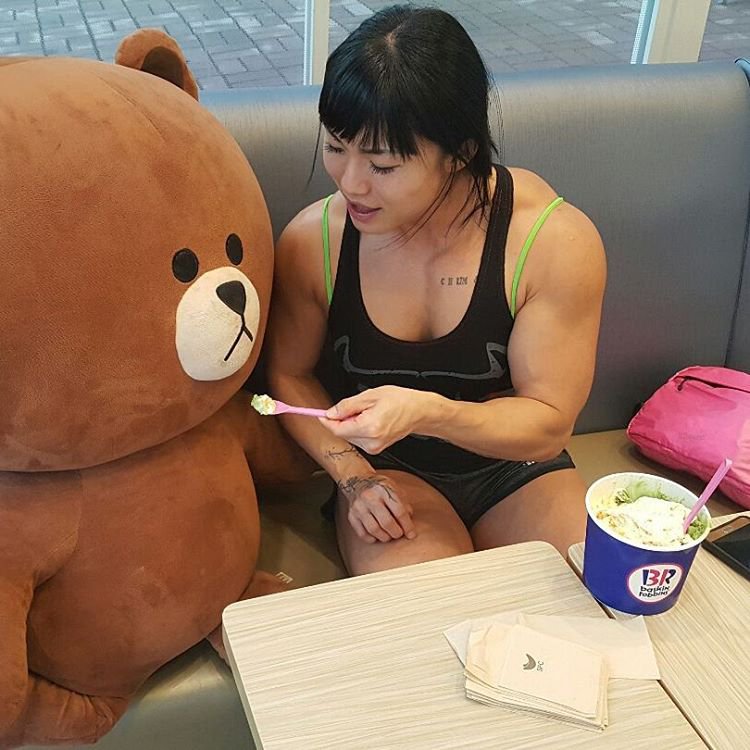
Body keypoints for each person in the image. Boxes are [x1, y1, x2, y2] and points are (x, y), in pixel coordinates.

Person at [265, 5, 606, 576]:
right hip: (386, 469)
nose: (350, 183)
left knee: (593, 592)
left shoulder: (551, 241)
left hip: (513, 464)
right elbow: (289, 375)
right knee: (434, 612)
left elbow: (548, 422)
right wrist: (353, 476)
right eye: (336, 147)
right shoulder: (315, 240)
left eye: (383, 165)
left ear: (460, 154)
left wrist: (427, 411)